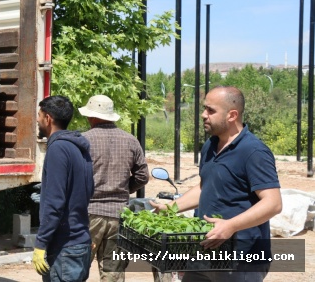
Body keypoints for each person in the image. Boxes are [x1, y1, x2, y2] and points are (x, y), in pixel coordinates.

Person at [150, 86, 282, 282]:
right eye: (204, 109)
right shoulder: (210, 145)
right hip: (203, 251)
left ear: (232, 115)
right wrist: (170, 208)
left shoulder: (253, 152)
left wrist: (230, 226)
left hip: (241, 259)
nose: (204, 115)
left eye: (211, 110)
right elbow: (205, 187)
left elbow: (273, 203)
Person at [77, 94, 149, 281]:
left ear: (91, 117)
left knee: (76, 268)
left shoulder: (83, 140)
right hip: (120, 214)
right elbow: (142, 176)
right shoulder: (130, 140)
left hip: (89, 213)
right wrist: (124, 189)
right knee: (113, 273)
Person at [32, 95, 94, 282]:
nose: (37, 120)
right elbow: (88, 190)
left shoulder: (58, 149)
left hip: (64, 248)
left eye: (39, 115)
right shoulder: (78, 147)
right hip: (79, 243)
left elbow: (54, 202)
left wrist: (41, 243)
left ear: (48, 118)